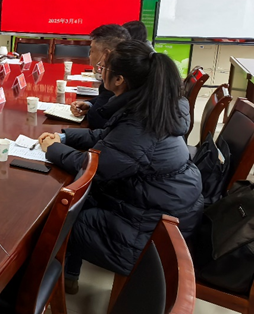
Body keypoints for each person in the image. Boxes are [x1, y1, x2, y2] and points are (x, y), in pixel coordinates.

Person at [38, 41, 203, 294]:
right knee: (70, 202)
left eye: (103, 68)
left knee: (50, 222)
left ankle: (32, 292)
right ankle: (68, 276)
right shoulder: (153, 104)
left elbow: (96, 168)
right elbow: (109, 139)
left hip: (146, 231)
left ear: (119, 80)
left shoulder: (141, 122)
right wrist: (64, 137)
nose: (99, 71)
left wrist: (53, 150)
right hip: (157, 206)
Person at [69, 24, 130, 129]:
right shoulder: (127, 68)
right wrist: (89, 104)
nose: (89, 56)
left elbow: (96, 118)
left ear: (106, 55)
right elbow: (105, 99)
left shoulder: (116, 78)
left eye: (92, 51)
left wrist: (90, 111)